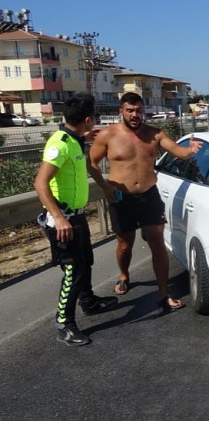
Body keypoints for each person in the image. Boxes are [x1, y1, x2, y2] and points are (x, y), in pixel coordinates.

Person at [88, 92, 202, 313]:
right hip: (121, 198)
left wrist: (189, 151)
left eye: (139, 110)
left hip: (149, 195)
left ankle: (163, 293)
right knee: (124, 244)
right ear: (121, 111)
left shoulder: (155, 134)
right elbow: (91, 162)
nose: (134, 115)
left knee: (157, 243)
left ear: (143, 111)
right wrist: (105, 188)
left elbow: (177, 151)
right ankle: (124, 275)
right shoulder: (108, 135)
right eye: (130, 110)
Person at [34, 92, 118, 346]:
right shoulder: (59, 144)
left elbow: (76, 141)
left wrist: (84, 136)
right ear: (88, 119)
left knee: (85, 263)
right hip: (64, 220)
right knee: (73, 271)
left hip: (77, 217)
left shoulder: (74, 139)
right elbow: (40, 183)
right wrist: (59, 218)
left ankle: (89, 302)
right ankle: (64, 324)